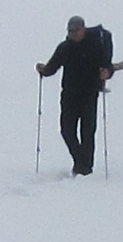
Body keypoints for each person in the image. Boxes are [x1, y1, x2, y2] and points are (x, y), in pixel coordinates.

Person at [37, 12, 117, 175]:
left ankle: (85, 168)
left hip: (89, 93)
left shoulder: (96, 45)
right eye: (70, 31)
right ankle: (81, 162)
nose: (73, 34)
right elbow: (52, 68)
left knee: (87, 132)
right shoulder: (64, 48)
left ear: (83, 29)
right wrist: (43, 70)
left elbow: (108, 66)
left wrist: (106, 73)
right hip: (69, 94)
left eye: (76, 31)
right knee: (67, 130)